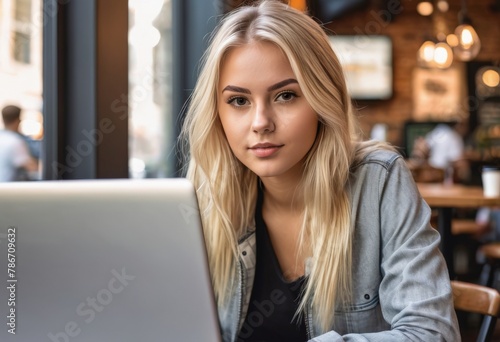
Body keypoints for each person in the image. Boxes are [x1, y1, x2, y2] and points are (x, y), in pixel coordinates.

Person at [180, 1, 460, 341]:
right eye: (239, 101)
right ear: (217, 113)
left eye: (285, 95)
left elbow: (433, 333)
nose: (260, 123)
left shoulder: (379, 182)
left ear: (321, 99)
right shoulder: (207, 196)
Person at [0, 104, 38, 181]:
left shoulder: (3, 137)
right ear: (18, 120)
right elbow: (33, 168)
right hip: (9, 190)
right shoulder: (15, 141)